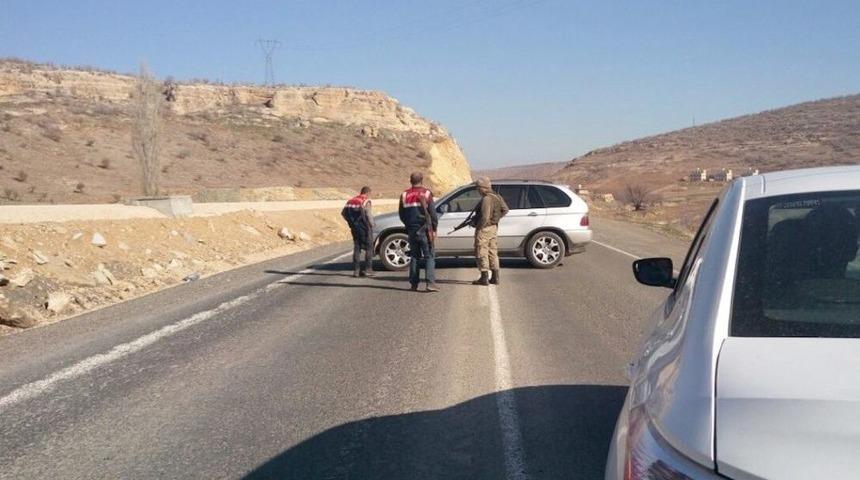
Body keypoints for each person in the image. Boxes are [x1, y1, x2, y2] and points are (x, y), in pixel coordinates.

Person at [398, 172, 439, 292]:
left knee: (415, 256)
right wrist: (434, 228)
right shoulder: (426, 193)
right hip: (425, 230)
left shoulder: (404, 195)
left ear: (410, 181)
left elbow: (401, 214)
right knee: (429, 256)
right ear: (422, 180)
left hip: (412, 230)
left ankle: (414, 284)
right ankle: (430, 283)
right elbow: (433, 214)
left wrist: (408, 225)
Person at [472, 176, 509, 286]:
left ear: (482, 188)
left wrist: (478, 226)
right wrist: (495, 219)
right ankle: (495, 277)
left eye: (478, 188)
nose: (477, 190)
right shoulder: (496, 196)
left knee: (481, 251)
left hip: (485, 228)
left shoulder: (486, 199)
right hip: (493, 227)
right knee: (493, 252)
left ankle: (484, 278)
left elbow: (484, 217)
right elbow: (505, 210)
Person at [341, 186, 375, 277]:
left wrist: (351, 222)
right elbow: (368, 214)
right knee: (369, 248)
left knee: (357, 247)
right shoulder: (365, 201)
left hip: (354, 228)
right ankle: (368, 269)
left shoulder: (350, 201)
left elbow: (343, 213)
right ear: (367, 193)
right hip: (364, 227)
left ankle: (356, 271)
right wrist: (372, 225)